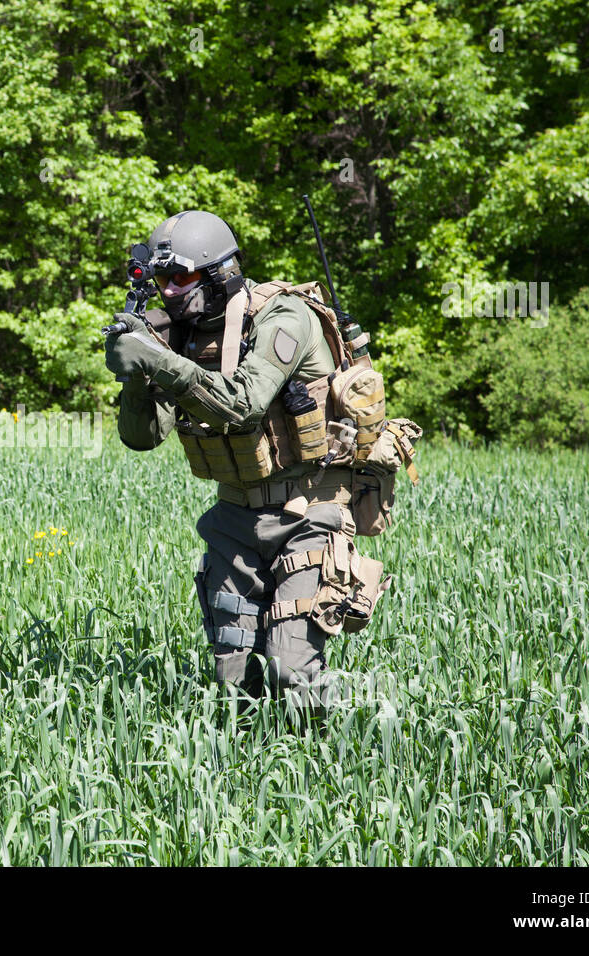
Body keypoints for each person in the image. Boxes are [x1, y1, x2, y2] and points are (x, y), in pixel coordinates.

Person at [104, 210, 417, 726]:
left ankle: (345, 748)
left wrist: (156, 360)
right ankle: (249, 777)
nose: (168, 292)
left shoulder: (282, 317)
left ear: (219, 272)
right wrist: (136, 374)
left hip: (310, 509)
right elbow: (142, 438)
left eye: (179, 277)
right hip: (233, 517)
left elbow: (244, 402)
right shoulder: (180, 334)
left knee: (290, 669)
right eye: (160, 280)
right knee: (235, 682)